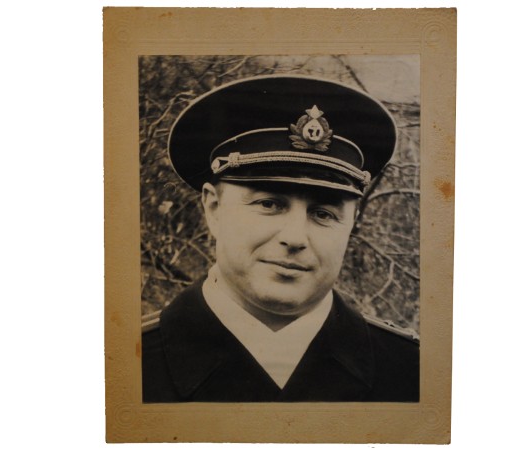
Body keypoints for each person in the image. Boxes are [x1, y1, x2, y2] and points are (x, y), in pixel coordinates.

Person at [141, 75, 419, 402]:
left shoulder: (412, 372)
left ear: (351, 224)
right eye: (269, 204)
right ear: (214, 209)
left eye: (323, 214)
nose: (295, 238)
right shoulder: (127, 365)